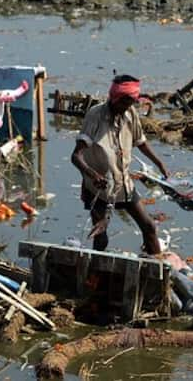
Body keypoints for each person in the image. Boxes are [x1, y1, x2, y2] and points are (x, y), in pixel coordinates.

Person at [71, 74, 169, 255]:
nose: (126, 108)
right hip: (98, 188)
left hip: (123, 184)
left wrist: (159, 163)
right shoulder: (95, 116)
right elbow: (76, 156)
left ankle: (156, 268)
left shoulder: (130, 113)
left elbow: (141, 142)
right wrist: (92, 174)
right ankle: (95, 276)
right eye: (123, 103)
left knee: (149, 227)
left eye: (130, 104)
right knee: (101, 238)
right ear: (115, 98)